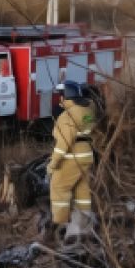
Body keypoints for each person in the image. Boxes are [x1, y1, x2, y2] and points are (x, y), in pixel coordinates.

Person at [47, 81, 96, 230]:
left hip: (72, 157)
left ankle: (60, 225)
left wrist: (53, 164)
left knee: (59, 188)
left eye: (61, 96)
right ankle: (83, 222)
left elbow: (64, 143)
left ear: (65, 97)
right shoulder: (88, 110)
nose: (59, 98)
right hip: (87, 155)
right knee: (82, 189)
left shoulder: (67, 115)